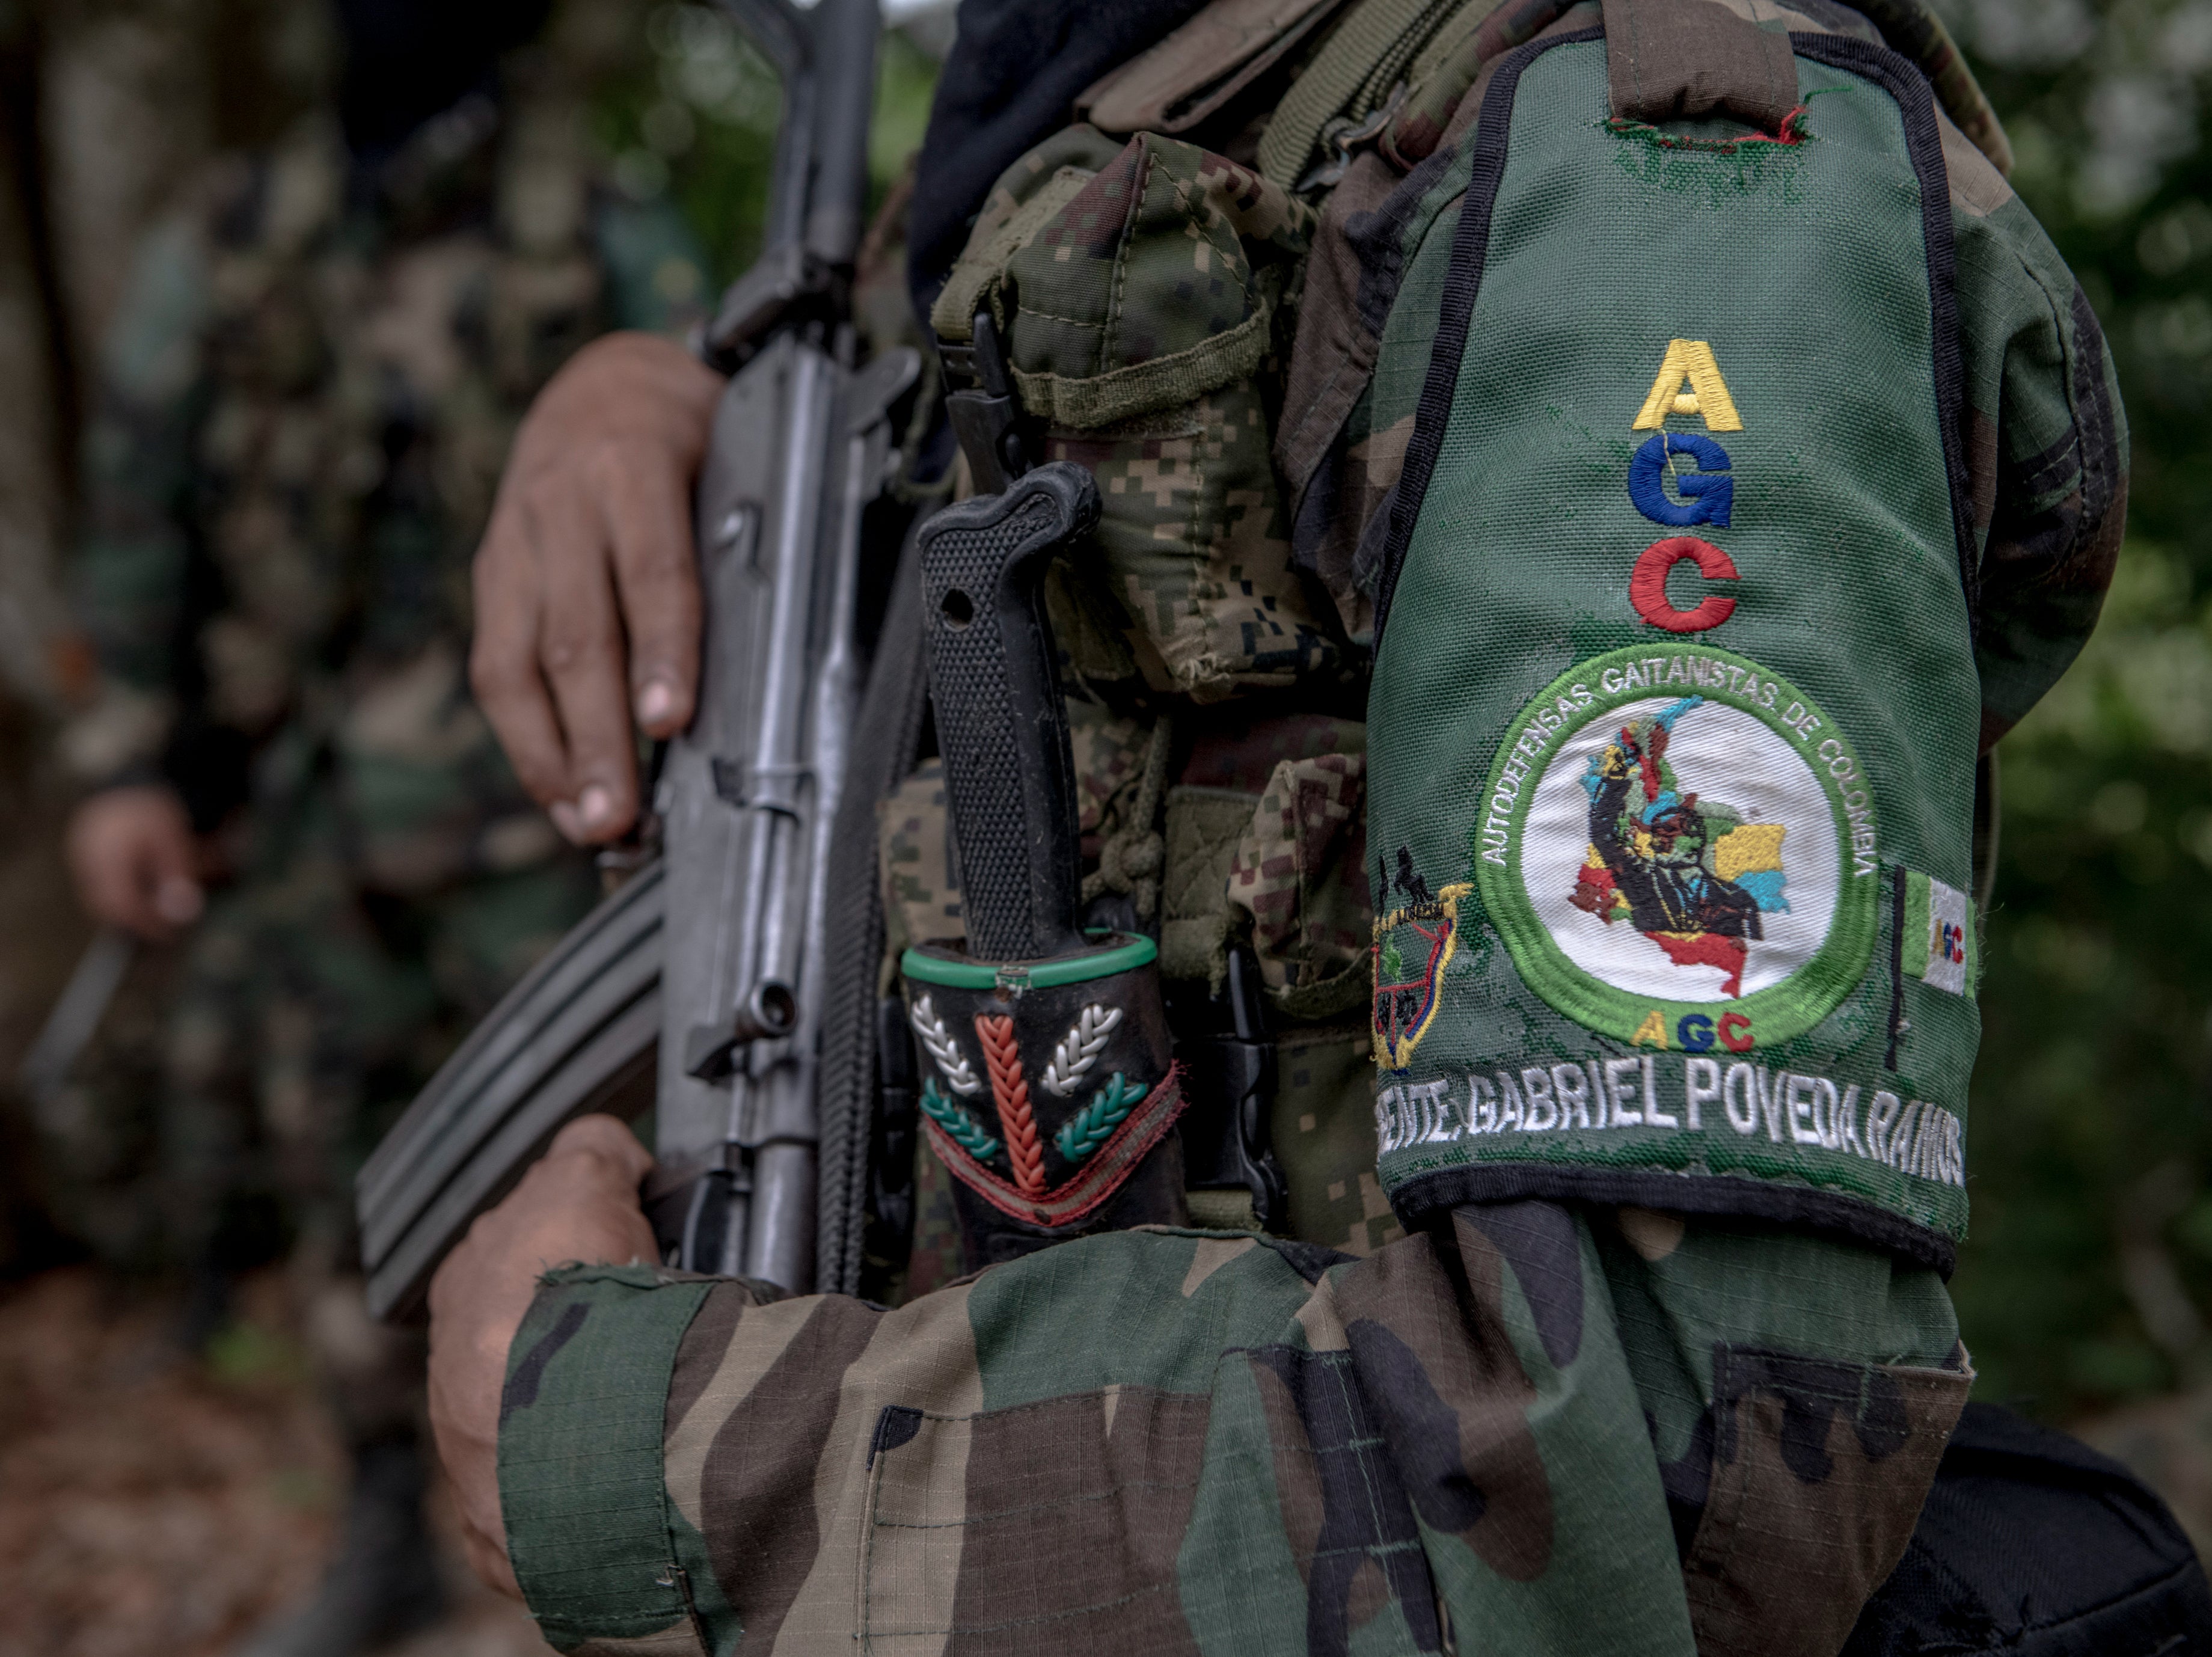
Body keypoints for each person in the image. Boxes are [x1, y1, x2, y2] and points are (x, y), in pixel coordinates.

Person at [428, 0, 2127, 1650]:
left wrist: (650, 1445)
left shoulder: (1657, 169)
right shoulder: (1134, 72)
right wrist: (686, 401)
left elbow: (1645, 1481)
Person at [54, 1, 710, 1650]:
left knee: (613, 1168)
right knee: (335, 1175)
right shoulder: (238, 241)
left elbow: (708, 473)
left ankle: (637, 1513)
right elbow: (139, 500)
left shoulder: (597, 236)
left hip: (556, 831)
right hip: (306, 821)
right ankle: (381, 1524)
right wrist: (129, 763)